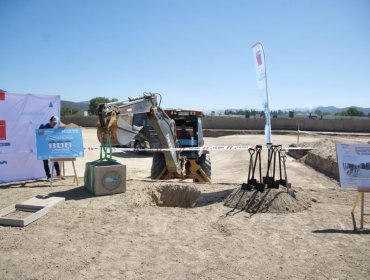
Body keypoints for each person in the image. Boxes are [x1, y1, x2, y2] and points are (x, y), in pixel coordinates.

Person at [39, 116, 61, 181]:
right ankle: (48, 176)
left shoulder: (54, 129)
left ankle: (58, 175)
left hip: (51, 147)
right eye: (53, 123)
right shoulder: (42, 126)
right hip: (43, 147)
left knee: (55, 160)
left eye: (55, 123)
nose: (54, 124)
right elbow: (39, 136)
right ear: (50, 121)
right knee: (45, 162)